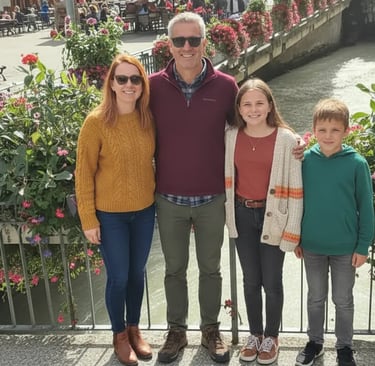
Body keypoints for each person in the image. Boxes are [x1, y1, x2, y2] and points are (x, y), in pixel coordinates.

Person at [149, 11, 238, 364]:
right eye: (179, 41)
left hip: (212, 197)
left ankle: (211, 330)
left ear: (205, 42)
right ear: (168, 45)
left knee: (211, 269)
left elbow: (251, 126)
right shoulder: (152, 86)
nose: (187, 47)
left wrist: (292, 145)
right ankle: (176, 331)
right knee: (173, 270)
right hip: (168, 197)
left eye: (194, 40)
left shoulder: (227, 86)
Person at [75, 54, 156, 366]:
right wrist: (88, 219)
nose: (128, 85)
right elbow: (83, 173)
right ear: (110, 83)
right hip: (110, 216)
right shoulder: (96, 122)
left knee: (137, 273)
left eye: (135, 79)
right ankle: (119, 335)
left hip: (145, 211)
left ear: (142, 85)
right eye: (121, 79)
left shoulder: (148, 119)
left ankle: (135, 329)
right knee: (119, 277)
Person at [225, 78, 304, 365]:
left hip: (275, 216)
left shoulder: (287, 140)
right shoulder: (230, 135)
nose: (253, 109)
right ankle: (254, 335)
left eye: (260, 103)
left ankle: (271, 337)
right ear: (239, 108)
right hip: (242, 214)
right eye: (247, 103)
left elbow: (296, 189)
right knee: (250, 280)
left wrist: (292, 231)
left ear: (270, 105)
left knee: (272, 281)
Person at [294, 98, 374, 366]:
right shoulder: (304, 161)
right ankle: (314, 342)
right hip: (312, 245)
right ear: (314, 130)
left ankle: (344, 347)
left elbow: (367, 206)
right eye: (322, 129)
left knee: (343, 300)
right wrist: (296, 238)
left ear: (346, 131)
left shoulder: (356, 163)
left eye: (335, 130)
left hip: (345, 248)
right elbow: (297, 202)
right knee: (315, 298)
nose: (328, 136)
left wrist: (363, 246)